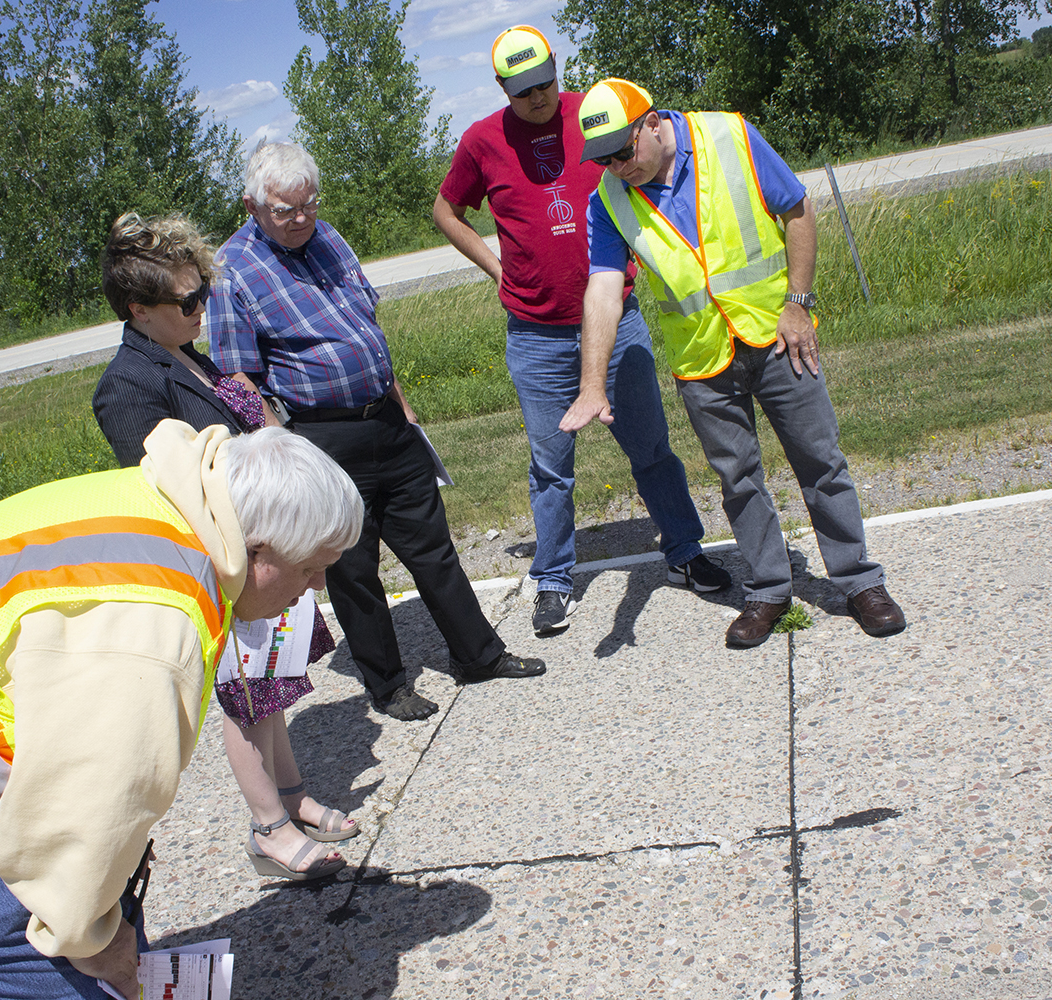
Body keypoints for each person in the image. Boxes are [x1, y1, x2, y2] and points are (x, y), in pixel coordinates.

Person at [0, 420, 363, 999]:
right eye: (310, 568)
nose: (317, 586)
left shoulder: (172, 502)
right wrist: (96, 940)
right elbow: (83, 807)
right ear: (258, 548)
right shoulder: (153, 625)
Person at [205, 141, 545, 722]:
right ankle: (387, 685)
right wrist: (282, 449)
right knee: (352, 569)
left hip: (386, 420)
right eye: (285, 211)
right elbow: (237, 374)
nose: (300, 219)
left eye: (308, 204)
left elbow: (366, 326)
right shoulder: (231, 270)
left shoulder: (329, 237)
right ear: (252, 205)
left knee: (433, 548)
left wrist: (403, 407)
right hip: (319, 436)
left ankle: (478, 654)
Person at [561, 78, 906, 647]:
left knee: (820, 460)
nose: (617, 167)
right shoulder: (607, 201)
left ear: (652, 122)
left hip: (778, 335)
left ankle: (858, 581)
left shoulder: (731, 135)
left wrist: (798, 304)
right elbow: (602, 289)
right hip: (702, 358)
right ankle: (768, 590)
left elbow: (796, 208)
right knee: (737, 478)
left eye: (623, 151)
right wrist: (591, 384)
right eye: (603, 159)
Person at [433, 25, 730, 637]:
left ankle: (684, 552)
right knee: (551, 466)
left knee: (651, 448)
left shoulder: (593, 117)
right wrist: (496, 267)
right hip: (535, 335)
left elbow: (647, 166)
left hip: (616, 321)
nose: (538, 97)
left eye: (545, 83)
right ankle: (554, 579)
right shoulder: (482, 141)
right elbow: (446, 210)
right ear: (502, 89)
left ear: (556, 70)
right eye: (522, 92)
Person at [92, 211, 357, 882]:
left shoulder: (186, 353)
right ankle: (267, 827)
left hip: (268, 551)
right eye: (187, 300)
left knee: (273, 690)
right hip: (227, 565)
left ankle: (291, 795)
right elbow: (168, 491)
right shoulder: (126, 386)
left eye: (203, 290)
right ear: (137, 310)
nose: (201, 308)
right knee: (243, 702)